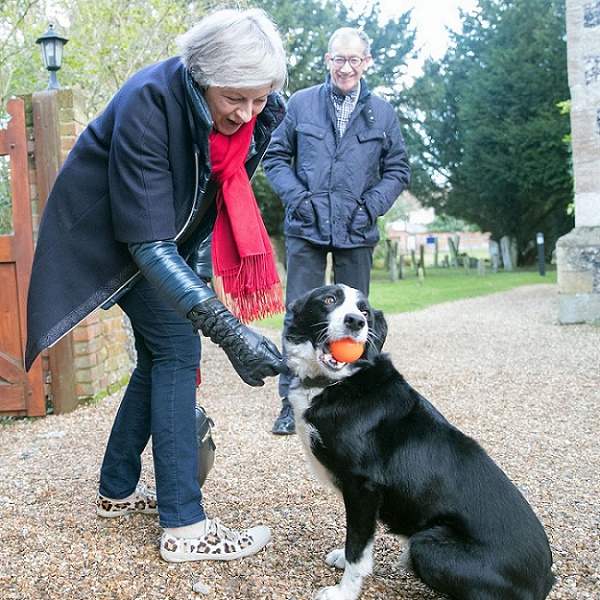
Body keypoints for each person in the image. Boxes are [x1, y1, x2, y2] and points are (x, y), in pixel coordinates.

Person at [25, 8, 289, 562]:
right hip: (105, 242)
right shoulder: (151, 100)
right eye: (233, 99)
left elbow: (198, 207)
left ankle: (116, 491)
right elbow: (146, 243)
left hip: (156, 238)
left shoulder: (243, 114)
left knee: (158, 352)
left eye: (258, 99)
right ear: (202, 75)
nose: (246, 114)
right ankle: (185, 527)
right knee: (176, 345)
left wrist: (202, 289)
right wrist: (228, 329)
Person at [262, 27, 411, 435]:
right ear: (328, 61)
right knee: (299, 314)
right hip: (306, 227)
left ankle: (353, 400)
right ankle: (291, 403)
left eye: (354, 60)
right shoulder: (301, 103)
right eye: (338, 59)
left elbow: (398, 169)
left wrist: (370, 206)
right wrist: (300, 199)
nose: (346, 67)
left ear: (366, 63)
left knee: (354, 319)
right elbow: (274, 157)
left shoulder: (382, 112)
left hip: (356, 229)